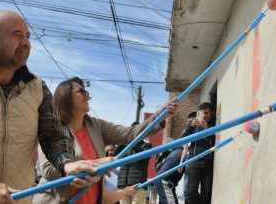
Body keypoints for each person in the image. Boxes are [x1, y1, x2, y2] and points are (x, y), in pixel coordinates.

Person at [0, 10, 104, 203]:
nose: (26, 43)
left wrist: (67, 164)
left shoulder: (38, 88)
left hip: (19, 199)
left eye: (28, 36)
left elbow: (52, 137)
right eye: (17, 35)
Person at [33, 78, 178, 204]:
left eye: (86, 92)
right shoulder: (53, 129)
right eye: (81, 91)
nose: (87, 96)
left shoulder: (96, 126)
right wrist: (98, 164)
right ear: (65, 98)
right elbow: (49, 171)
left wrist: (159, 116)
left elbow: (129, 133)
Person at [180, 103, 215, 204]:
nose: (204, 116)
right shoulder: (193, 124)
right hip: (193, 160)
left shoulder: (214, 124)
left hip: (208, 162)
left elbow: (216, 140)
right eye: (202, 113)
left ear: (212, 113)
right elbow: (182, 140)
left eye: (207, 113)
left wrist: (206, 129)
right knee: (190, 192)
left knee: (206, 192)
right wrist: (190, 127)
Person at [117, 125, 152, 204]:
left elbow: (144, 157)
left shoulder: (146, 146)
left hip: (138, 184)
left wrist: (133, 142)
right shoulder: (124, 146)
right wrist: (123, 141)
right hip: (123, 185)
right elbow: (115, 156)